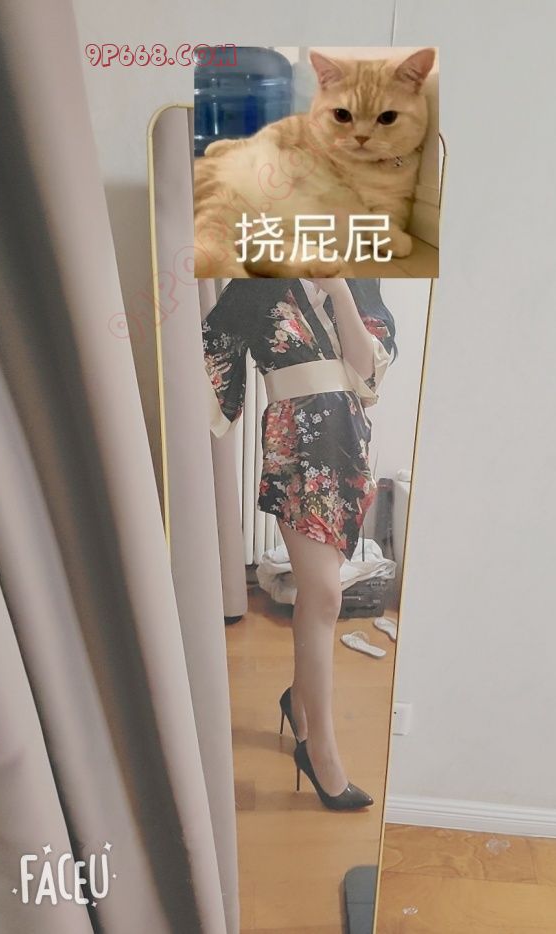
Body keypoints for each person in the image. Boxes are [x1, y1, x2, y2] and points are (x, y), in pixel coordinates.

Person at [203, 277, 395, 810]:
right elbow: (210, 349)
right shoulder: (256, 281)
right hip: (295, 440)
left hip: (347, 439)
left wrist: (339, 289)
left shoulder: (359, 276)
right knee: (325, 594)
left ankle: (299, 703)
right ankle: (320, 753)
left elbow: (367, 370)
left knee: (318, 594)